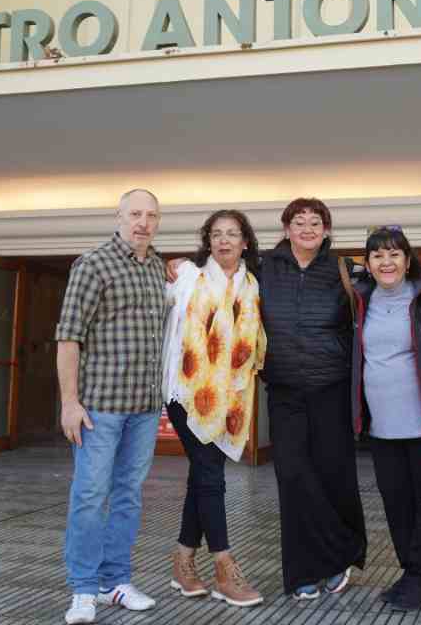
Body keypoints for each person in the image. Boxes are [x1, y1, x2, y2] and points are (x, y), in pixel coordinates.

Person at [56, 189, 168, 625]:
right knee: (89, 496)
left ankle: (114, 581)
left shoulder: (157, 267)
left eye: (151, 215)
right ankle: (83, 589)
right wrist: (69, 402)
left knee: (128, 496)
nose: (143, 221)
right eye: (136, 213)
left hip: (143, 407)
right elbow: (68, 337)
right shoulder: (92, 265)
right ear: (119, 216)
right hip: (99, 408)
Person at [258, 197, 366, 600]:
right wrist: (184, 265)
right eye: (298, 222)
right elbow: (220, 274)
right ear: (286, 229)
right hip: (284, 390)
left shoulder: (343, 269)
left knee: (332, 474)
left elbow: (394, 275)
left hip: (331, 390)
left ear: (326, 230)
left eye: (315, 222)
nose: (307, 228)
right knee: (292, 475)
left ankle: (333, 562)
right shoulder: (264, 267)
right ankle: (317, 561)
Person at [161, 209, 267, 608]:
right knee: (210, 474)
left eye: (232, 234)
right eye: (216, 234)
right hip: (186, 394)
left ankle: (183, 560)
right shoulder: (187, 275)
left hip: (231, 398)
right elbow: (157, 309)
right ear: (208, 241)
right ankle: (224, 565)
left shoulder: (253, 284)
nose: (224, 241)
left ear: (245, 242)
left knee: (205, 474)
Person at [349, 227, 421, 612]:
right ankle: (411, 572)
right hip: (382, 426)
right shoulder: (360, 299)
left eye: (394, 254)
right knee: (395, 503)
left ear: (408, 261)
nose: (386, 261)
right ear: (368, 264)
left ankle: (420, 579)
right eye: (377, 255)